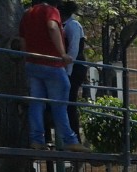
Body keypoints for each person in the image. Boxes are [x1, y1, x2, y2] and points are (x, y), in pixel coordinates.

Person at [19, 0, 87, 152]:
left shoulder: (27, 14)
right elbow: (52, 27)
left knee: (36, 103)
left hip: (32, 63)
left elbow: (22, 39)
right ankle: (70, 139)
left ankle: (37, 140)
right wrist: (62, 54)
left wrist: (26, 58)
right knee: (60, 103)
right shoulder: (50, 10)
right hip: (51, 63)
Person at [60, 2, 86, 141]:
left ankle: (74, 137)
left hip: (75, 69)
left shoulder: (73, 25)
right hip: (68, 68)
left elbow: (74, 51)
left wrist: (67, 71)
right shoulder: (63, 26)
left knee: (70, 102)